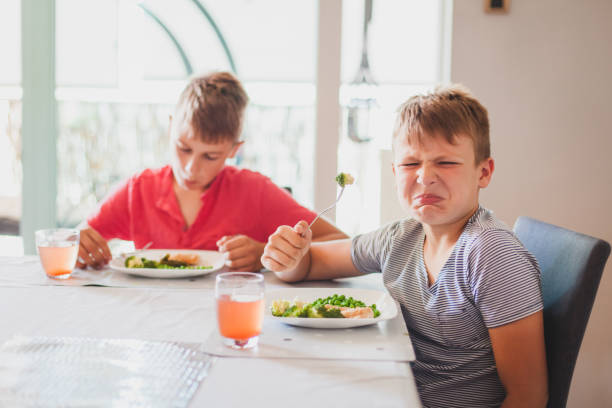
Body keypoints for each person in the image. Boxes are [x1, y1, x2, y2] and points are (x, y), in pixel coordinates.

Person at [261, 85, 548, 408]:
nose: (425, 177)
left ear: (483, 172)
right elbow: (310, 264)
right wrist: (290, 256)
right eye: (411, 164)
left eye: (446, 163)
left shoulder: (490, 253)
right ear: (395, 171)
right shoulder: (400, 237)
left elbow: (529, 397)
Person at [78, 71, 347, 271]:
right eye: (183, 148)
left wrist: (267, 255)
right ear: (171, 128)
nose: (191, 168)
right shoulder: (138, 191)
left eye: (210, 156)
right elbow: (78, 240)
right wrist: (80, 245)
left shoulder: (253, 192)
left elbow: (340, 243)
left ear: (234, 150)